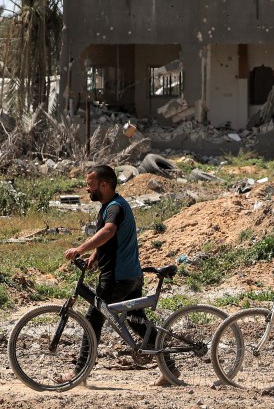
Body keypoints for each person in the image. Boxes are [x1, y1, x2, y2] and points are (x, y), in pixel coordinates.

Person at [62, 164, 174, 385]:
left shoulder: (114, 207)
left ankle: (79, 373)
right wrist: (94, 258)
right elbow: (110, 240)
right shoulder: (111, 206)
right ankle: (171, 370)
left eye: (90, 184)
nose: (87, 189)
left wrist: (80, 249)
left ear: (103, 185)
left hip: (117, 278)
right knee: (138, 322)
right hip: (131, 276)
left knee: (93, 319)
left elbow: (108, 231)